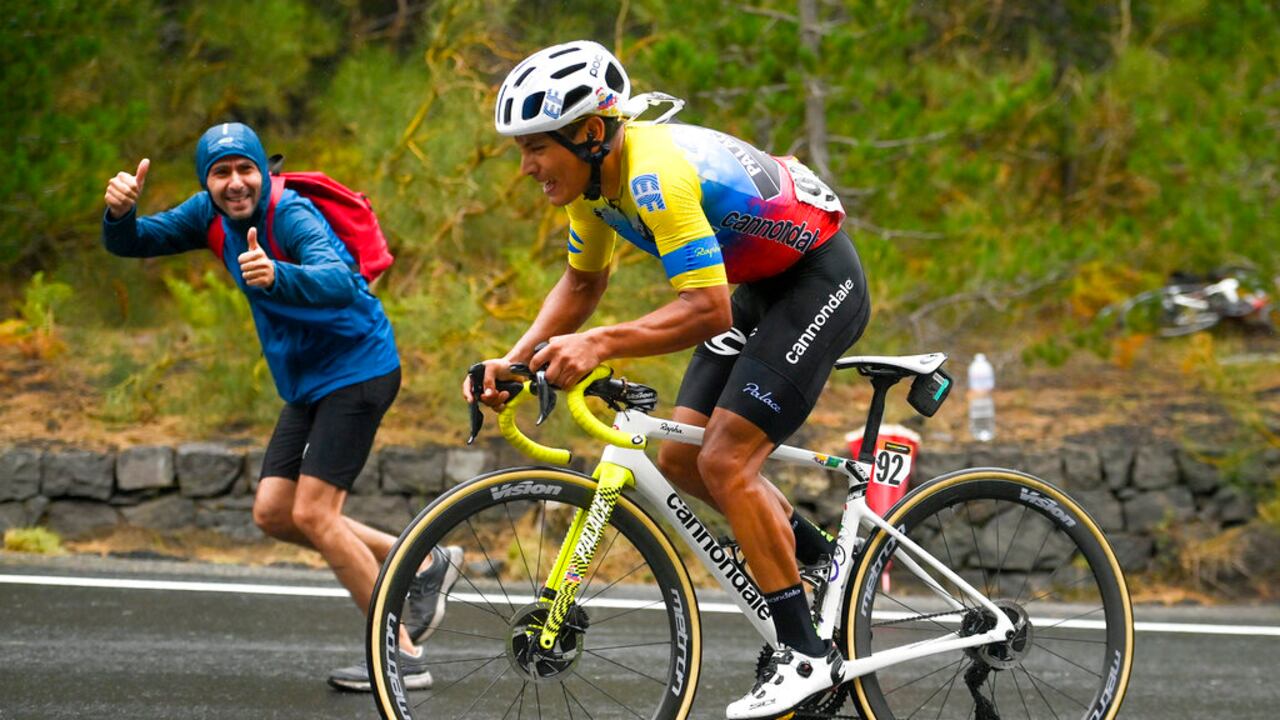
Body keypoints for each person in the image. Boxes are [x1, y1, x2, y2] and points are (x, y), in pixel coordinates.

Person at [468, 41, 871, 718]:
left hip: (818, 281)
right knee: (684, 458)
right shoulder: (591, 192)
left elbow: (705, 310)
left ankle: (806, 655)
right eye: (521, 151)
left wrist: (595, 344)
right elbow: (582, 283)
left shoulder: (655, 175)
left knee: (727, 459)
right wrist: (515, 360)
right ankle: (830, 563)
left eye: (536, 147)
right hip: (758, 287)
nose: (527, 166)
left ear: (591, 133)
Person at [101, 122, 462, 692]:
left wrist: (279, 274)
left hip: (358, 370)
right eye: (222, 173)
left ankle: (402, 656)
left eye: (246, 169)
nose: (236, 182)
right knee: (274, 511)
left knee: (315, 514)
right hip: (307, 382)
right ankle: (422, 561)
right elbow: (134, 242)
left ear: (263, 171)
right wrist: (119, 213)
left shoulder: (289, 213)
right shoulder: (206, 215)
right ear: (207, 182)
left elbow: (341, 278)